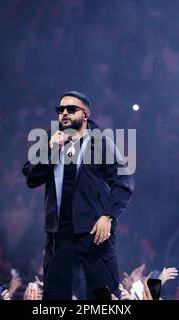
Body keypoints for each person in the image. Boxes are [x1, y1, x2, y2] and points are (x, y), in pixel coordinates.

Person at [22, 91, 134, 299]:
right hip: (59, 234)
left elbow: (124, 183)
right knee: (54, 299)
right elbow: (31, 177)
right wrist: (50, 148)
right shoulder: (50, 139)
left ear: (85, 114)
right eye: (60, 109)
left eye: (71, 109)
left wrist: (108, 216)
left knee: (104, 297)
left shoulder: (101, 143)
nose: (64, 113)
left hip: (94, 232)